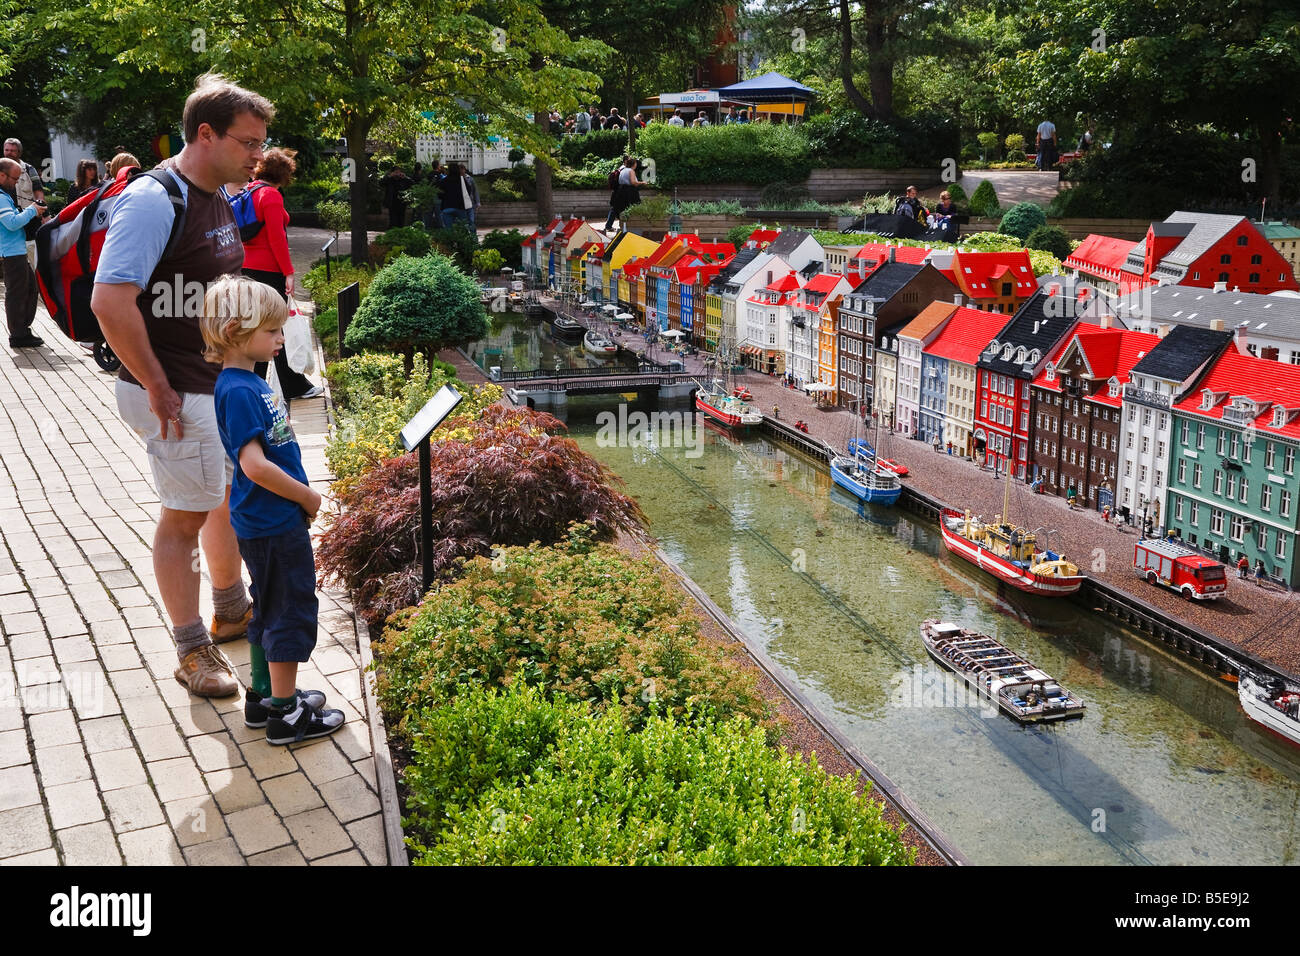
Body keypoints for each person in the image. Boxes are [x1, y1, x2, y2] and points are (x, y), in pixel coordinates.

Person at [91, 73, 276, 699]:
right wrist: (157, 386)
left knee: (218, 496)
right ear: (205, 134)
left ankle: (231, 609)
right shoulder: (153, 200)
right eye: (249, 142)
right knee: (185, 516)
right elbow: (111, 302)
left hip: (210, 383)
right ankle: (192, 649)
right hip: (171, 391)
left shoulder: (221, 195)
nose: (259, 155)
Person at [201, 275, 344, 745]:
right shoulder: (239, 390)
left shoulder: (246, 381)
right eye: (272, 331)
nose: (281, 338)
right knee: (289, 609)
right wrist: (307, 496)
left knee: (267, 605)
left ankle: (264, 698)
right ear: (237, 331)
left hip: (265, 519)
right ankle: (287, 715)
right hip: (273, 519)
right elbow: (254, 464)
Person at [239, 146, 322, 400]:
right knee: (274, 328)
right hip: (269, 271)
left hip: (247, 268)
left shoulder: (248, 191)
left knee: (259, 327)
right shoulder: (271, 196)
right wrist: (288, 272)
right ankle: (292, 386)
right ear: (284, 173)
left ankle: (259, 384)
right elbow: (277, 239)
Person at [0, 157, 47, 348]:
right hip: (11, 253)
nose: (16, 183)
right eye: (14, 178)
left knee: (29, 289)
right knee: (17, 294)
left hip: (16, 251)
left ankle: (22, 330)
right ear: (1, 175)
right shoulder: (1, 197)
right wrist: (32, 211)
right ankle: (18, 335)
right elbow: (11, 223)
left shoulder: (4, 194)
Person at [3, 138, 45, 270]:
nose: (9, 153)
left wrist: (43, 212)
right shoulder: (1, 170)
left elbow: (39, 193)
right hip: (8, 222)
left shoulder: (29, 169)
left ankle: (39, 285)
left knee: (35, 259)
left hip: (30, 220)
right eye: (7, 150)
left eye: (13, 151)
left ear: (19, 152)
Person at [604, 155, 648, 233]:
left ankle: (621, 226)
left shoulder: (623, 170)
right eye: (635, 163)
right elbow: (633, 182)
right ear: (633, 164)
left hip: (620, 191)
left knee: (618, 208)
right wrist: (643, 182)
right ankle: (632, 226)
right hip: (629, 192)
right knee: (634, 207)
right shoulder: (630, 171)